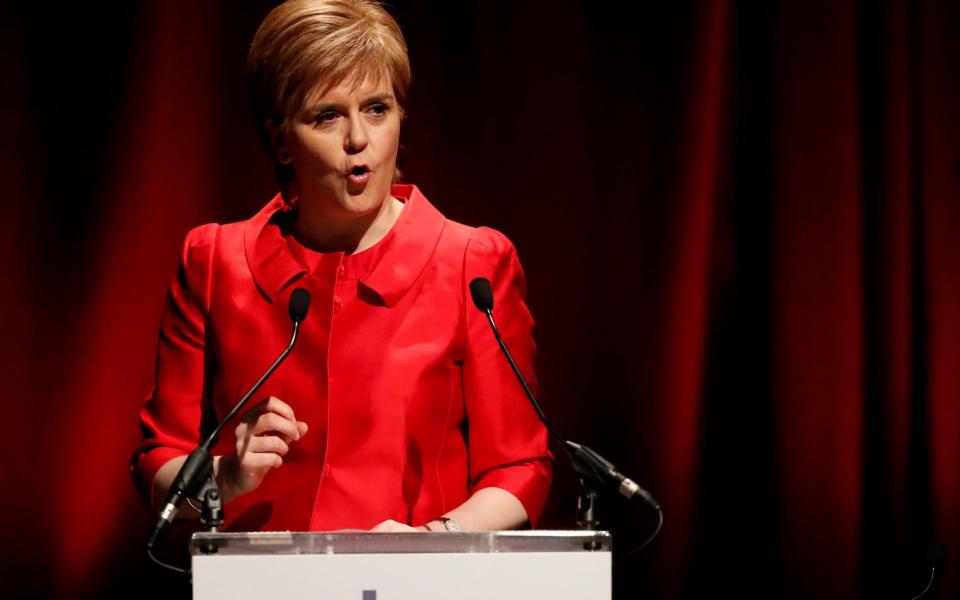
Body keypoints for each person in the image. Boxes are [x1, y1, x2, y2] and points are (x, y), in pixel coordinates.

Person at [131, 0, 551, 534]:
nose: (359, 140)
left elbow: (519, 468)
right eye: (327, 115)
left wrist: (431, 542)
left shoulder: (472, 263)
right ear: (282, 139)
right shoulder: (214, 262)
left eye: (377, 109)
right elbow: (156, 464)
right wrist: (226, 477)